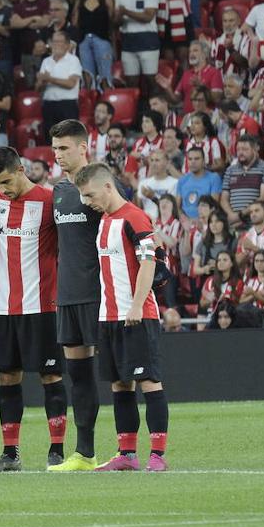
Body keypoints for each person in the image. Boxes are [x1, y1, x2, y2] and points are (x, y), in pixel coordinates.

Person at [0, 147, 67, 472]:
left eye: (6, 182)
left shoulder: (50, 202)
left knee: (50, 375)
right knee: (7, 377)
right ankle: (10, 454)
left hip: (42, 307)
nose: (3, 189)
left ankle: (57, 450)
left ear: (21, 170)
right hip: (5, 309)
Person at [73, 162, 170, 472]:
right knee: (120, 384)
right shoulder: (104, 221)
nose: (87, 201)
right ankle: (127, 454)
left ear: (107, 187)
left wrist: (137, 305)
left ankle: (157, 455)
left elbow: (149, 262)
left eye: (89, 195)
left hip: (137, 314)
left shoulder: (135, 217)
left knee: (149, 382)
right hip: (109, 316)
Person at [48, 120, 106, 470]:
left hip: (99, 293)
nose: (58, 155)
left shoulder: (101, 187)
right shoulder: (57, 191)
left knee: (119, 375)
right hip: (67, 293)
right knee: (79, 375)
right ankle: (85, 453)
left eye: (64, 148)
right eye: (55, 148)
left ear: (83, 148)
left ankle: (128, 451)